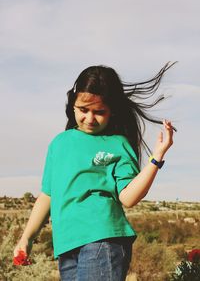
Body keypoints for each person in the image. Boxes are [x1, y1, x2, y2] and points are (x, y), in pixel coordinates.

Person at [14, 63, 176, 281]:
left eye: (99, 112)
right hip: (66, 246)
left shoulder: (117, 144)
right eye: (83, 110)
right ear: (73, 104)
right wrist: (27, 238)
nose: (90, 119)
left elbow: (128, 197)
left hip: (103, 240)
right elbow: (47, 196)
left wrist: (156, 159)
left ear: (112, 112)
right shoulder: (59, 143)